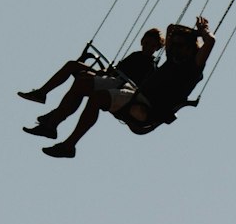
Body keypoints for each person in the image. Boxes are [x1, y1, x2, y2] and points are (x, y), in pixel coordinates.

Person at [17, 29, 165, 148]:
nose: (148, 47)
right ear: (142, 42)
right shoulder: (135, 55)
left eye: (152, 45)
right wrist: (105, 73)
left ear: (157, 48)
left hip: (121, 85)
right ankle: (42, 94)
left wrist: (107, 75)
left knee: (81, 84)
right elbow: (115, 71)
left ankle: (53, 120)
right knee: (72, 66)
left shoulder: (150, 66)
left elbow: (135, 83)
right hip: (112, 78)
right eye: (146, 43)